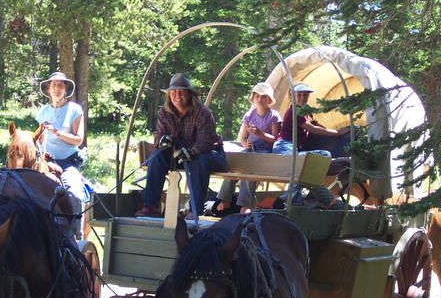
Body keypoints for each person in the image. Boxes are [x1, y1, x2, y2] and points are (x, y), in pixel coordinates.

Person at [135, 73, 228, 218]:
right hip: (179, 156)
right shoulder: (164, 113)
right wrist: (163, 141)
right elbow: (158, 136)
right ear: (169, 95)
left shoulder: (203, 113)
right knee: (156, 157)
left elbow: (206, 141)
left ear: (190, 94)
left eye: (181, 91)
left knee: (199, 161)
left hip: (209, 156)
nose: (177, 95)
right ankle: (150, 206)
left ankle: (194, 210)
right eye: (173, 92)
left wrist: (191, 152)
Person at [36, 71, 90, 235]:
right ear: (48, 89)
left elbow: (78, 139)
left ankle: (76, 235)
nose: (57, 89)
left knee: (74, 193)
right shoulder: (43, 111)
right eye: (54, 85)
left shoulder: (74, 109)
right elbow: (38, 138)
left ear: (66, 89)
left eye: (60, 85)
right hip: (45, 162)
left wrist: (57, 132)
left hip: (67, 162)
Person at [216, 82, 281, 213]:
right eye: (257, 96)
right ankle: (225, 199)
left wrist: (260, 134)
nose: (260, 99)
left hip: (265, 151)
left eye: (263, 97)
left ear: (269, 99)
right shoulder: (249, 115)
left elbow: (275, 139)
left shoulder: (274, 116)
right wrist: (245, 143)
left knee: (249, 171)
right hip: (250, 149)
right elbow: (242, 137)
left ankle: (245, 204)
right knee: (235, 166)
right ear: (253, 98)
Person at [273, 82, 349, 155]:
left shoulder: (305, 110)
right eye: (299, 95)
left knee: (325, 154)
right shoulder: (294, 111)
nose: (302, 98)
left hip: (298, 146)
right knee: (292, 160)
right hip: (285, 145)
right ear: (292, 97)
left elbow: (315, 124)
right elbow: (313, 128)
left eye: (305, 95)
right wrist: (337, 132)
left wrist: (331, 134)